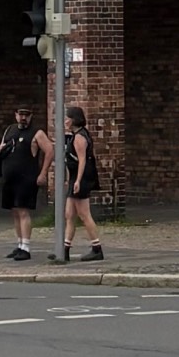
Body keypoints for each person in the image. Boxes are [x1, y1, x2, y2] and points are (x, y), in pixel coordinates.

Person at [0, 102, 50, 261]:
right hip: (10, 177)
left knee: (23, 210)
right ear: (16, 115)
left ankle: (26, 247)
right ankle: (19, 244)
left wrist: (43, 173)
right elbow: (1, 147)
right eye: (21, 114)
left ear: (31, 116)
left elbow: (49, 151)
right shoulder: (10, 130)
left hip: (27, 177)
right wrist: (0, 150)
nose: (23, 118)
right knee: (14, 210)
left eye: (27, 115)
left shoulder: (37, 133)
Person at [62, 105, 104, 262]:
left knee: (84, 214)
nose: (65, 121)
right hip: (75, 178)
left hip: (82, 178)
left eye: (67, 118)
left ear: (74, 120)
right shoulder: (75, 135)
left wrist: (78, 180)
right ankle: (65, 249)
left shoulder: (80, 138)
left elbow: (82, 161)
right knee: (69, 214)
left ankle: (97, 248)